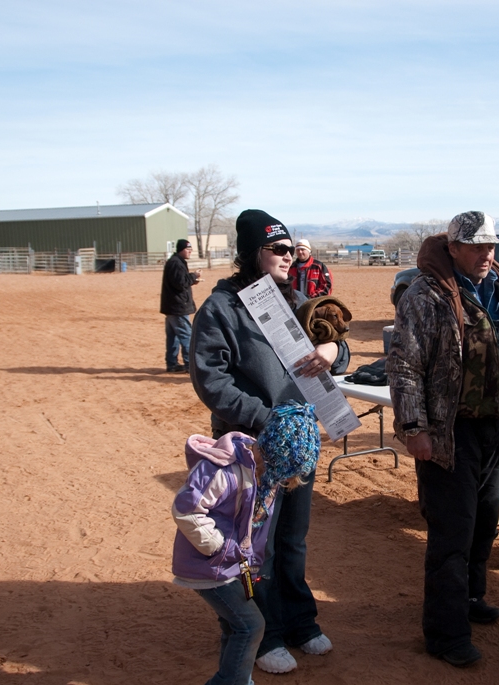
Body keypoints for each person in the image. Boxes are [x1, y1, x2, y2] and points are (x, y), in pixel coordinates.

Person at [387, 211, 499, 668]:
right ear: (453, 248)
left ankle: (472, 598)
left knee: (484, 522)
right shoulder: (426, 295)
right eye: (476, 246)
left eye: (491, 246)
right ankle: (445, 632)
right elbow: (404, 365)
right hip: (449, 432)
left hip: (495, 426)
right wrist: (414, 428)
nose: (486, 254)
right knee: (452, 531)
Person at [191, 209, 350, 675]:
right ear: (251, 253)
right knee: (255, 544)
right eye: (276, 249)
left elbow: (338, 350)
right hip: (252, 448)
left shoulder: (297, 301)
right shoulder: (221, 308)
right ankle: (265, 635)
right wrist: (268, 421)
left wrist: (333, 350)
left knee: (293, 539)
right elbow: (211, 380)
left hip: (298, 443)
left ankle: (300, 622)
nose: (288, 256)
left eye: (289, 248)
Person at [170, 401, 320, 685]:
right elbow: (186, 510)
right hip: (209, 567)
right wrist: (220, 547)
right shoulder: (222, 470)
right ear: (274, 453)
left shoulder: (266, 476)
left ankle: (237, 678)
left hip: (232, 568)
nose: (286, 480)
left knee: (233, 626)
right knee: (251, 626)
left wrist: (249, 563)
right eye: (286, 470)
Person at [160, 239, 201, 373]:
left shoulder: (176, 262)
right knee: (186, 335)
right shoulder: (176, 263)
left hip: (172, 305)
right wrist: (194, 276)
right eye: (187, 249)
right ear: (181, 250)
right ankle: (190, 365)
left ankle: (172, 364)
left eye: (190, 249)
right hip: (177, 306)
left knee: (174, 336)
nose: (190, 251)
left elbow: (179, 282)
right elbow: (180, 283)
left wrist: (192, 280)